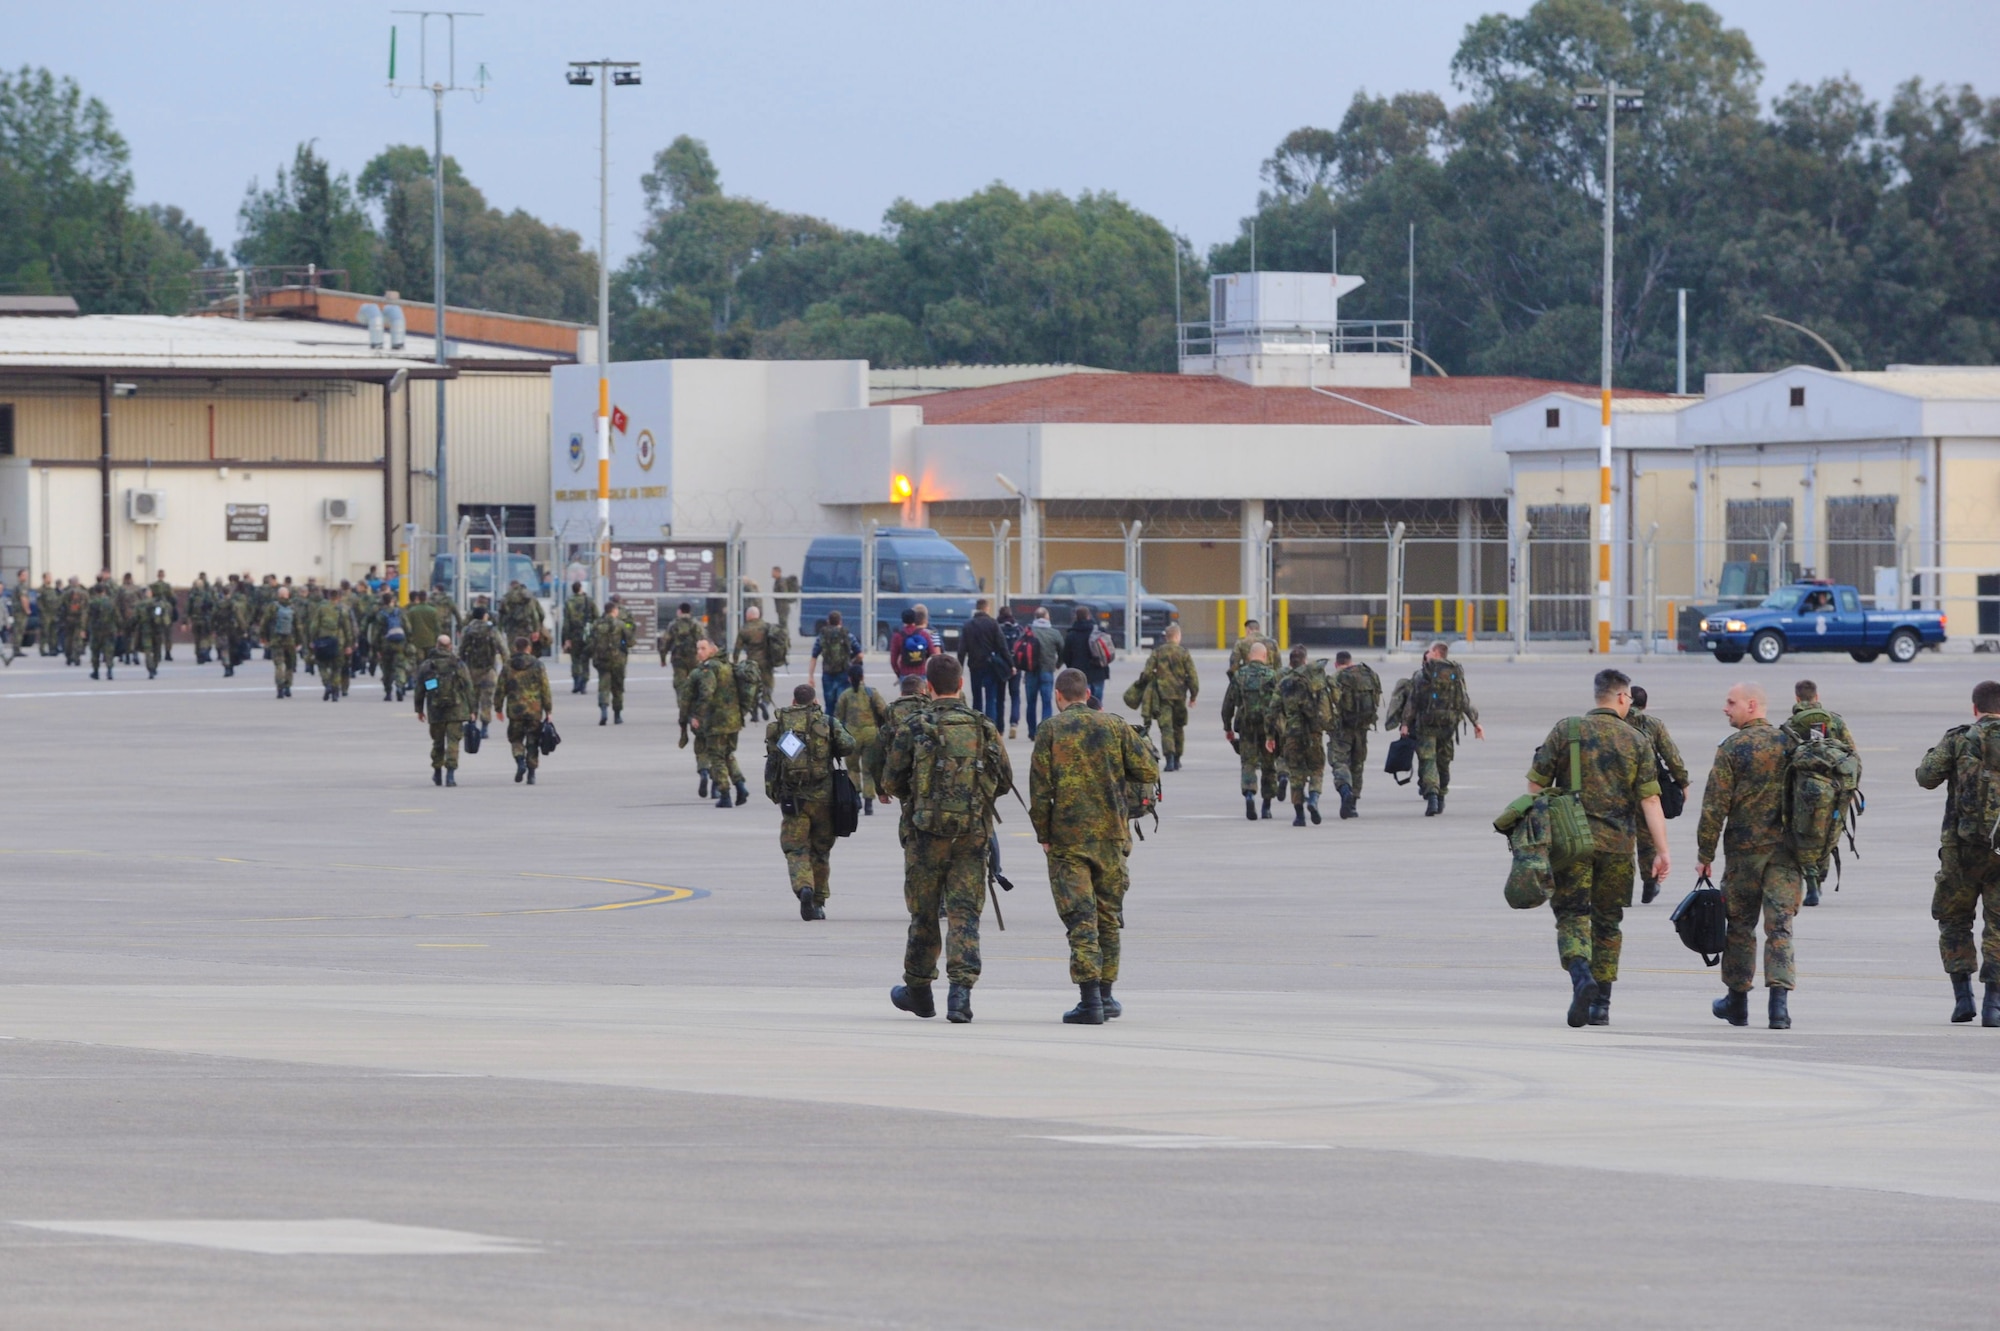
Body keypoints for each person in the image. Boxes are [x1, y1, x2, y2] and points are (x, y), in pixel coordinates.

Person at [1526, 669, 1672, 1028]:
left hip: (1572, 844)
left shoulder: (1567, 730)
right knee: (1608, 923)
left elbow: (1534, 785)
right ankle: (1601, 1005)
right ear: (1623, 698)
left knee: (1573, 916)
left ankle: (1580, 976)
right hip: (1618, 848)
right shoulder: (1636, 740)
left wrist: (1541, 831)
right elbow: (1651, 802)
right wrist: (1662, 852)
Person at [884, 654, 1013, 1025]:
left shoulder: (914, 725)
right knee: (964, 914)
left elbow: (890, 781)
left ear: (928, 686)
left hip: (924, 836)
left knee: (923, 914)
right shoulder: (983, 726)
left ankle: (920, 993)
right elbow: (1004, 780)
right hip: (972, 836)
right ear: (961, 685)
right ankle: (961, 995)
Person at [1031, 666, 1160, 1024]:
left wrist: (1043, 833)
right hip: (1112, 837)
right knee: (1107, 916)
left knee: (1080, 917)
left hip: (1068, 840)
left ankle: (1089, 1001)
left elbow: (1040, 791)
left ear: (1059, 696)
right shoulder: (1115, 726)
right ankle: (1106, 995)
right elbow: (1149, 770)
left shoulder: (1050, 731)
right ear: (1087, 695)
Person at [1698, 681, 1802, 1030]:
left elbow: (1714, 806)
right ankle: (1779, 1009)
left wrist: (1705, 852)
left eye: (1731, 702)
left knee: (1740, 928)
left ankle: (1738, 1003)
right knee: (1780, 929)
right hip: (1786, 855)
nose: (1726, 708)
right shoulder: (1791, 744)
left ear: (1752, 705)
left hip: (1744, 856)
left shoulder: (1732, 748)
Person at [1915, 680, 2000, 1025]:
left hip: (1960, 849)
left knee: (1954, 920)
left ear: (1975, 709)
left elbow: (1925, 777)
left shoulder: (1958, 738)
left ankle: (1963, 998)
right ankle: (1994, 1006)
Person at [766, 681, 858, 920]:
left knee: (796, 849)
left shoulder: (781, 726)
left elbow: (773, 761)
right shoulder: (826, 722)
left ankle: (804, 886)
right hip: (825, 800)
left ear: (794, 701)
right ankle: (818, 901)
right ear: (815, 701)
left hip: (794, 799)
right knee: (820, 851)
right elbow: (849, 745)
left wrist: (773, 791)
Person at [1784, 679, 1861, 907]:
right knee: (1829, 833)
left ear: (1797, 698)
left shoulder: (1790, 725)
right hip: (1837, 790)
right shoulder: (1834, 721)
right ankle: (1820, 877)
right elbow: (1853, 754)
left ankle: (1811, 883)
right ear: (1817, 697)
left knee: (1805, 834)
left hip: (1805, 791)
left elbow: (1784, 759)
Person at [1398, 641, 1484, 816]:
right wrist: (1476, 723)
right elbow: (1464, 700)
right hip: (1448, 725)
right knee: (1444, 762)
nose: (1427, 654)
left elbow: (1412, 702)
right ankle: (1442, 794)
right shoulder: (1456, 674)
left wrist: (1405, 724)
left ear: (1437, 653)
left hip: (1427, 725)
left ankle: (1432, 797)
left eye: (1430, 651)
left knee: (1428, 760)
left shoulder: (1422, 675)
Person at [1626, 684, 1690, 903]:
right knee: (1647, 839)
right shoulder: (1653, 725)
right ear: (1644, 705)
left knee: (1621, 838)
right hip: (1647, 788)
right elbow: (1672, 756)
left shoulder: (1614, 724)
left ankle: (1621, 888)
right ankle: (1649, 883)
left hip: (1617, 790)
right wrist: (1682, 782)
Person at [1221, 640, 1281, 820]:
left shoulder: (1239, 676)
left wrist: (1227, 727)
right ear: (1265, 656)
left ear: (1249, 657)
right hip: (1268, 728)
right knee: (1269, 766)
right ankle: (1267, 807)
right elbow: (1280, 704)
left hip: (1246, 726)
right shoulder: (1272, 675)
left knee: (1248, 763)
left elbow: (1228, 704)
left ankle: (1249, 795)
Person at [688, 637, 749, 808]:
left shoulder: (710, 668)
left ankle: (725, 794)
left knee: (717, 757)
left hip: (717, 721)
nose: (699, 652)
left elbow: (707, 693)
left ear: (712, 650)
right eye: (698, 648)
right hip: (734, 720)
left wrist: (697, 716)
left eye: (703, 648)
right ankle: (740, 786)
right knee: (729, 754)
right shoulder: (727, 666)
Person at [1275, 645, 1332, 826]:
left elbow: (1273, 710)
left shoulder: (1284, 683)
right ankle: (1313, 799)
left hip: (1292, 734)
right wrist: (1328, 727)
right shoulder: (1316, 681)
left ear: (1290, 662)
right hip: (1314, 734)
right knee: (1317, 769)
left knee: (1296, 774)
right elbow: (1326, 708)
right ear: (1305, 661)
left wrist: (1271, 735)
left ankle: (1299, 816)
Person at [1133, 622, 1199, 772]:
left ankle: (1169, 759)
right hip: (1179, 695)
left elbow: (1148, 673)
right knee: (1178, 727)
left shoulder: (1157, 652)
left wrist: (1145, 684)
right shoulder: (1184, 653)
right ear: (1177, 636)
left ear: (1166, 637)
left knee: (1166, 728)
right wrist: (1193, 695)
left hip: (1162, 696)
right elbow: (1193, 676)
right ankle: (1177, 759)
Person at [412, 633, 472, 786]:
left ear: (437, 646)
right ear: (450, 646)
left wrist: (419, 709)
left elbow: (420, 688)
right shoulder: (458, 664)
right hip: (456, 709)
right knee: (453, 742)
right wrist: (472, 709)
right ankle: (450, 775)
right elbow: (468, 686)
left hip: (435, 708)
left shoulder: (428, 665)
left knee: (438, 742)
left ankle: (437, 772)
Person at [1327, 651, 1380, 819]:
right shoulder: (1367, 675)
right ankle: (1353, 805)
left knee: (1340, 762)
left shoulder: (1335, 678)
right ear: (1350, 662)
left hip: (1341, 729)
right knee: (1357, 765)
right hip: (1362, 728)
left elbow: (1328, 704)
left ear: (1337, 664)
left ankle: (1345, 790)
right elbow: (1376, 700)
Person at [834, 661, 891, 815]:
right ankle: (869, 802)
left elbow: (837, 717)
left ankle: (856, 797)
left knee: (852, 768)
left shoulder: (845, 695)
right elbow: (884, 711)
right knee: (869, 769)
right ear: (862, 677)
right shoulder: (871, 693)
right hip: (870, 734)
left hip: (852, 734)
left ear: (849, 679)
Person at [499, 634, 552, 785]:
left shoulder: (508, 665)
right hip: (534, 710)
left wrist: (497, 707)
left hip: (515, 710)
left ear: (515, 648)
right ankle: (532, 774)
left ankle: (520, 760)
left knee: (516, 739)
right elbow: (545, 688)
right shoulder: (538, 665)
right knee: (533, 741)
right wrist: (548, 710)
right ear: (529, 648)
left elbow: (501, 687)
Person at [958, 597, 1010, 730]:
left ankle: (977, 726)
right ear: (987, 608)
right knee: (990, 698)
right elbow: (1002, 645)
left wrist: (959, 669)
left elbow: (962, 649)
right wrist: (1010, 663)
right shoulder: (992, 623)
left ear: (977, 608)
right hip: (990, 665)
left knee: (977, 698)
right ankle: (990, 726)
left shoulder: (968, 625)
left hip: (974, 665)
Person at [460, 603, 503, 738]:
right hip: (489, 670)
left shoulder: (467, 630)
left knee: (472, 698)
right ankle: (485, 727)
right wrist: (508, 665)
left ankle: (472, 723)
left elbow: (461, 649)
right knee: (487, 699)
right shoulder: (492, 630)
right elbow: (502, 648)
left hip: (472, 670)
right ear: (485, 616)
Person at [589, 601, 635, 725]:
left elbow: (590, 641)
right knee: (617, 688)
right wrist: (623, 645)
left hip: (602, 660)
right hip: (618, 661)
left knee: (603, 686)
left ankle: (603, 711)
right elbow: (630, 641)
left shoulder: (596, 624)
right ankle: (617, 715)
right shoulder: (621, 624)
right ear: (614, 611)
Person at [732, 603, 776, 722]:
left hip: (752, 662)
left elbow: (737, 649)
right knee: (768, 684)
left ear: (748, 616)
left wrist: (735, 664)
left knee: (753, 687)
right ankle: (765, 703)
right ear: (758, 615)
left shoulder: (745, 630)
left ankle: (754, 713)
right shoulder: (767, 627)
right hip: (766, 661)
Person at [813, 610, 861, 715]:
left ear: (828, 621)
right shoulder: (848, 635)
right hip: (844, 673)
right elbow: (860, 655)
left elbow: (814, 656)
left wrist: (810, 676)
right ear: (840, 621)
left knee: (829, 705)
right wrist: (851, 662)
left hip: (827, 674)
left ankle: (829, 728)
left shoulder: (822, 636)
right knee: (843, 705)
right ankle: (842, 729)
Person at [1061, 605, 1110, 706]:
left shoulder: (1071, 635)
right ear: (1089, 616)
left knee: (1082, 704)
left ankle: (1086, 721)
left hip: (1080, 675)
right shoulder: (1099, 631)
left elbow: (1066, 656)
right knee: (1097, 703)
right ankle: (1097, 721)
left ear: (1076, 617)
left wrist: (1072, 668)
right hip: (1098, 672)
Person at [257, 586, 299, 698]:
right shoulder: (293, 607)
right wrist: (299, 641)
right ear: (288, 595)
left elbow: (264, 622)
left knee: (279, 665)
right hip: (290, 640)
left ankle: (279, 688)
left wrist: (263, 636)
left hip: (276, 640)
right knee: (290, 664)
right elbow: (298, 626)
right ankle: (288, 686)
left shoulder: (272, 607)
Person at [373, 591, 409, 702]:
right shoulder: (399, 612)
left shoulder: (381, 614)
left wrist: (376, 648)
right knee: (399, 667)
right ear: (392, 601)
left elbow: (376, 633)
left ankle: (388, 692)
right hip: (400, 644)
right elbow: (408, 628)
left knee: (387, 669)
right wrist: (407, 642)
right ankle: (399, 686)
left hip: (386, 645)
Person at [563, 581, 597, 695]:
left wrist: (566, 638)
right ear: (581, 588)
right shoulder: (589, 601)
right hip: (587, 634)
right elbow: (596, 617)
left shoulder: (568, 602)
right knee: (585, 659)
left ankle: (576, 681)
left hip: (574, 634)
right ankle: (583, 684)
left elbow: (566, 622)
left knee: (575, 659)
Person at [662, 601, 705, 692]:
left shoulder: (673, 624)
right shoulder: (696, 625)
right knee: (695, 681)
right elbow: (703, 641)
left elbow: (665, 642)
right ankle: (693, 702)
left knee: (680, 683)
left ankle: (683, 703)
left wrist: (663, 659)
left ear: (679, 611)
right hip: (694, 658)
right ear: (690, 612)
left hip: (678, 658)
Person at [497, 580, 545, 657]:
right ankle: (527, 666)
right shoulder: (529, 597)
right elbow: (537, 614)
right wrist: (536, 629)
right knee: (526, 650)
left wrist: (499, 630)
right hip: (527, 628)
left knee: (513, 652)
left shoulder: (506, 597)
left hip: (511, 629)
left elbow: (501, 616)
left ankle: (515, 667)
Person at [84, 582, 118, 680]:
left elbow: (87, 616)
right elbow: (116, 616)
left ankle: (96, 671)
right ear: (104, 591)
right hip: (109, 629)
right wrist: (119, 628)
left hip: (96, 630)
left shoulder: (92, 603)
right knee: (109, 651)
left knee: (95, 652)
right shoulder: (111, 602)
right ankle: (109, 671)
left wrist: (84, 629)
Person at [771, 565, 797, 638]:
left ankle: (785, 640)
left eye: (773, 572)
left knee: (783, 625)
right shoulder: (777, 581)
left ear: (778, 572)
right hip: (780, 608)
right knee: (782, 625)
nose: (772, 574)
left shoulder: (781, 581)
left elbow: (784, 593)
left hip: (783, 608)